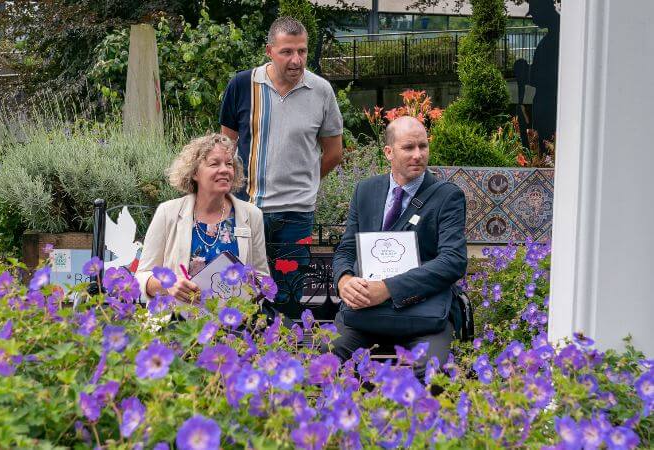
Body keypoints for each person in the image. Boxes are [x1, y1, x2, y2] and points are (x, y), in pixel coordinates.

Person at [219, 16, 343, 319]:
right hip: (247, 210)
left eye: (301, 51)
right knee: (241, 293)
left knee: (288, 296)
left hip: (296, 215)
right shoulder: (242, 85)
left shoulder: (322, 91)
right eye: (287, 51)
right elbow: (224, 148)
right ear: (269, 51)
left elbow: (334, 152)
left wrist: (306, 183)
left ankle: (283, 356)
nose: (296, 59)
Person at [327, 116, 467, 376]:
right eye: (408, 148)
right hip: (365, 316)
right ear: (388, 152)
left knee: (430, 372)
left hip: (424, 316)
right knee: (325, 364)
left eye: (423, 147)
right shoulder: (365, 191)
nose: (418, 155)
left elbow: (453, 261)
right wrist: (344, 280)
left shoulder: (448, 196)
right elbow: (347, 249)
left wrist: (388, 288)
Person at [135, 133, 270, 302]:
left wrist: (245, 306)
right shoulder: (167, 212)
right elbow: (142, 276)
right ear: (194, 173)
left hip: (231, 322)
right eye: (214, 163)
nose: (225, 169)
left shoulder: (251, 215)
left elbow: (262, 279)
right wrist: (168, 284)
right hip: (176, 321)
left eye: (229, 164)